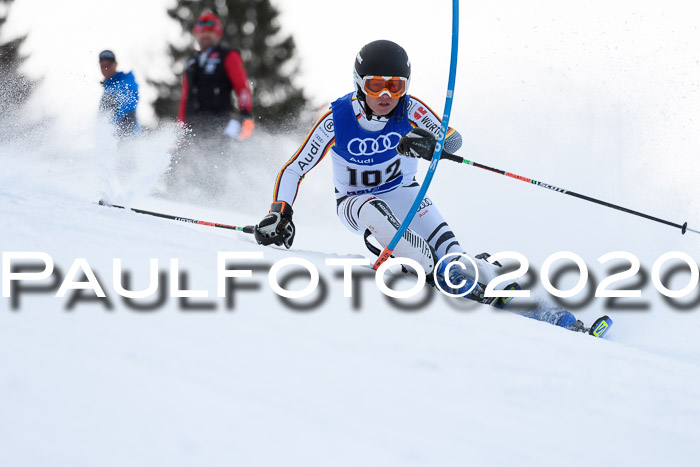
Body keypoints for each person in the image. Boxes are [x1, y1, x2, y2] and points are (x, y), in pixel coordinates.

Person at [254, 39, 502, 300]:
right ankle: (425, 269)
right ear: (359, 83)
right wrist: (281, 212)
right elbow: (295, 168)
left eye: (395, 86)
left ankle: (500, 281)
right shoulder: (336, 121)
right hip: (354, 202)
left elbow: (453, 140)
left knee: (457, 258)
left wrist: (432, 144)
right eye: (376, 85)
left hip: (405, 193)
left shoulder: (410, 108)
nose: (386, 95)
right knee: (375, 211)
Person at [178, 12, 254, 142]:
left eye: (210, 31)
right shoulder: (191, 62)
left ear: (217, 34)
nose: (205, 35)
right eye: (202, 31)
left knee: (222, 156)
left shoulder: (228, 56)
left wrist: (245, 115)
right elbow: (185, 97)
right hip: (194, 126)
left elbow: (242, 88)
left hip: (222, 122)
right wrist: (181, 129)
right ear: (197, 34)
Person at [98, 50, 140, 137]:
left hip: (126, 135)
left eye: (108, 65)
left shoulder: (125, 82)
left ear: (115, 64)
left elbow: (128, 104)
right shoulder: (108, 86)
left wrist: (108, 127)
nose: (105, 68)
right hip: (110, 138)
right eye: (103, 66)